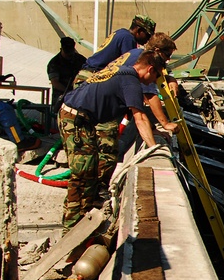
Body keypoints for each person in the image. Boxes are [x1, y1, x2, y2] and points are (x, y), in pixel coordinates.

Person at [58, 50, 165, 229]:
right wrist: (155, 148)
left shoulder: (121, 71)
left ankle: (84, 221)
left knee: (91, 173)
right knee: (83, 174)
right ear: (150, 69)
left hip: (79, 118)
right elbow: (139, 118)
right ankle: (71, 228)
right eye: (156, 76)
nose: (154, 81)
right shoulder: (131, 81)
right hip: (76, 120)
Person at [73, 14, 155, 88]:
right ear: (139, 30)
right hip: (92, 79)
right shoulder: (128, 39)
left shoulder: (121, 33)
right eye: (147, 35)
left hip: (86, 75)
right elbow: (129, 68)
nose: (148, 39)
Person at [47, 37, 86, 113]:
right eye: (67, 52)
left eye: (71, 51)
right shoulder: (54, 63)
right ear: (61, 49)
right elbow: (55, 82)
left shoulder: (81, 60)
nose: (69, 54)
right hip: (61, 98)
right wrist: (69, 92)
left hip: (78, 97)